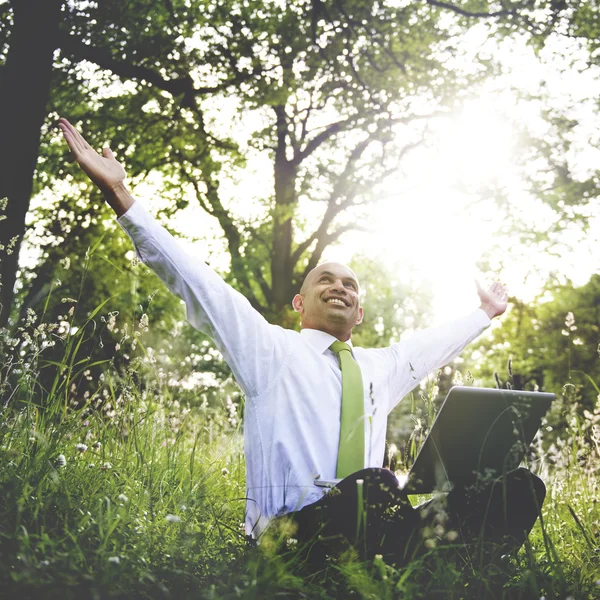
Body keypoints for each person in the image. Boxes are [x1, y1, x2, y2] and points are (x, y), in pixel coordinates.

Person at [58, 118, 545, 566]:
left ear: (360, 311)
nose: (339, 286)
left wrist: (485, 313)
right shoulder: (269, 351)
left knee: (519, 488)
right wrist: (120, 192)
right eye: (325, 280)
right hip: (291, 540)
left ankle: (432, 575)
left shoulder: (381, 368)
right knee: (374, 487)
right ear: (299, 302)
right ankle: (401, 567)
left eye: (350, 285)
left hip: (373, 528)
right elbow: (197, 281)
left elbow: (429, 347)